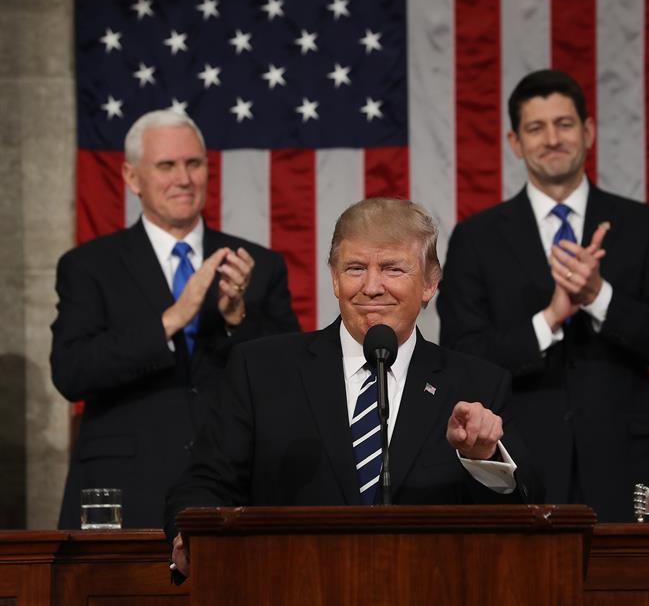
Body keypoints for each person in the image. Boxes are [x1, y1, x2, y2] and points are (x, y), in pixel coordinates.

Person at [166, 198, 529, 577]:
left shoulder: (477, 383)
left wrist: (482, 458)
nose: (372, 287)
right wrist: (187, 535)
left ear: (430, 284)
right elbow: (205, 482)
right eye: (356, 268)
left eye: (392, 269)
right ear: (335, 279)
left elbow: (522, 513)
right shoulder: (261, 370)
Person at [436, 69, 649, 522]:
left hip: (629, 464)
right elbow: (463, 353)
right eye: (536, 127)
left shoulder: (647, 226)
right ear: (515, 142)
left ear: (589, 131)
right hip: (522, 461)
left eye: (565, 124)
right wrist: (549, 319)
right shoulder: (477, 238)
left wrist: (599, 296)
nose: (552, 138)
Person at [51, 110, 300, 529]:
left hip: (232, 490)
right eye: (166, 165)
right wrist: (171, 319)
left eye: (194, 164)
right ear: (132, 178)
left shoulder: (257, 265)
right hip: (125, 492)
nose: (184, 179)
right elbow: (71, 372)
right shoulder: (88, 266)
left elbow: (291, 379)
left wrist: (237, 319)